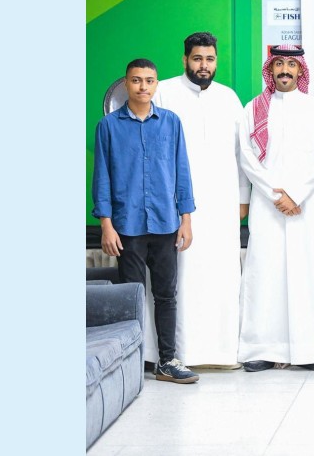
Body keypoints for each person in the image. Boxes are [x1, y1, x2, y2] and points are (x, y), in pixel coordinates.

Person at [92, 58, 198, 384]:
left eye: (149, 80)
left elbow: (181, 171)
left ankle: (167, 361)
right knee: (132, 296)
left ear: (156, 85)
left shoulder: (171, 122)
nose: (142, 86)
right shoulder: (108, 126)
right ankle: (131, 364)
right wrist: (106, 224)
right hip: (127, 226)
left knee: (166, 295)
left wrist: (186, 219)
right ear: (126, 84)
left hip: (166, 223)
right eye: (136, 80)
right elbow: (102, 178)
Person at [151, 32, 246, 367]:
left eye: (209, 59)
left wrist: (243, 199)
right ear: (185, 60)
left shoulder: (229, 98)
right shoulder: (163, 92)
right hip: (178, 204)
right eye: (197, 59)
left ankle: (222, 352)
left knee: (222, 275)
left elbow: (242, 154)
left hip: (222, 202)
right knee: (183, 276)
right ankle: (180, 352)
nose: (204, 65)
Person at [237, 45, 314, 373]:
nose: (285, 70)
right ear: (271, 69)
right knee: (265, 273)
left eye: (292, 64)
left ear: (301, 70)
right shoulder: (253, 109)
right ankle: (261, 349)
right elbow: (247, 157)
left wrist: (297, 195)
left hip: (307, 204)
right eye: (279, 64)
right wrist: (275, 194)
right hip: (268, 205)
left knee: (309, 274)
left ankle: (311, 350)